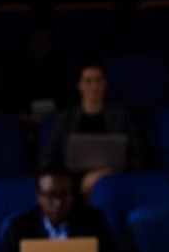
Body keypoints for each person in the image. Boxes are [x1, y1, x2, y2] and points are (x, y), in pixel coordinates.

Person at [0, 167, 116, 252]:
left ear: (72, 196)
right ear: (38, 196)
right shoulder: (19, 226)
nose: (57, 203)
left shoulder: (93, 221)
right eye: (50, 196)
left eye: (64, 195)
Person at [41, 64, 143, 199]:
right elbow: (47, 159)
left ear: (105, 84)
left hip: (113, 180)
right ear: (79, 85)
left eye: (99, 80)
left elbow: (138, 157)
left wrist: (105, 173)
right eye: (88, 81)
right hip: (73, 184)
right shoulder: (65, 119)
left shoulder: (121, 117)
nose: (94, 87)